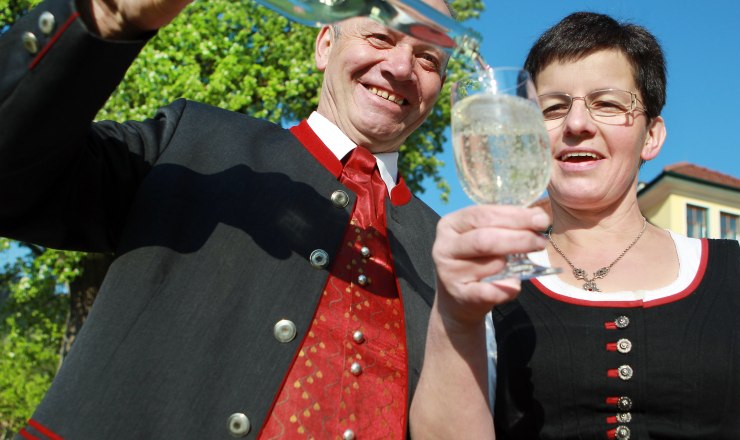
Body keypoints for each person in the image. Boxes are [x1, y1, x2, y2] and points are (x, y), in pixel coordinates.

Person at [0, 0, 454, 438]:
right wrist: (104, 15)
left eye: (429, 59)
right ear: (324, 46)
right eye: (379, 35)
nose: (399, 67)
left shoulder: (452, 256)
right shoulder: (192, 141)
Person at [410, 11, 740, 439]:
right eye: (552, 108)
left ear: (653, 135)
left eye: (607, 103)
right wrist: (455, 319)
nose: (576, 124)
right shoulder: (485, 279)